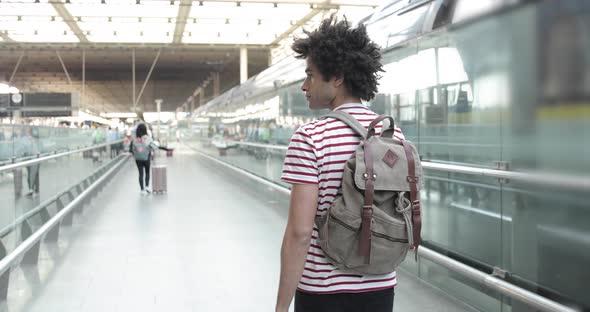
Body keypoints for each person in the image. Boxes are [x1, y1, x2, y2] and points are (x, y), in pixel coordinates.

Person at [275, 16, 405, 312]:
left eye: (310, 75)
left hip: (322, 290)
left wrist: (281, 306)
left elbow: (300, 233)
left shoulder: (310, 137)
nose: (304, 86)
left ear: (337, 77)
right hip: (380, 285)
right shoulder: (392, 133)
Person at [129, 123, 159, 195]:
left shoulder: (135, 139)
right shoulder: (147, 138)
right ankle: (147, 187)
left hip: (138, 158)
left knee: (140, 173)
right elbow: (153, 147)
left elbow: (131, 149)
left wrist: (136, 153)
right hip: (146, 157)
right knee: (147, 172)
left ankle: (142, 190)